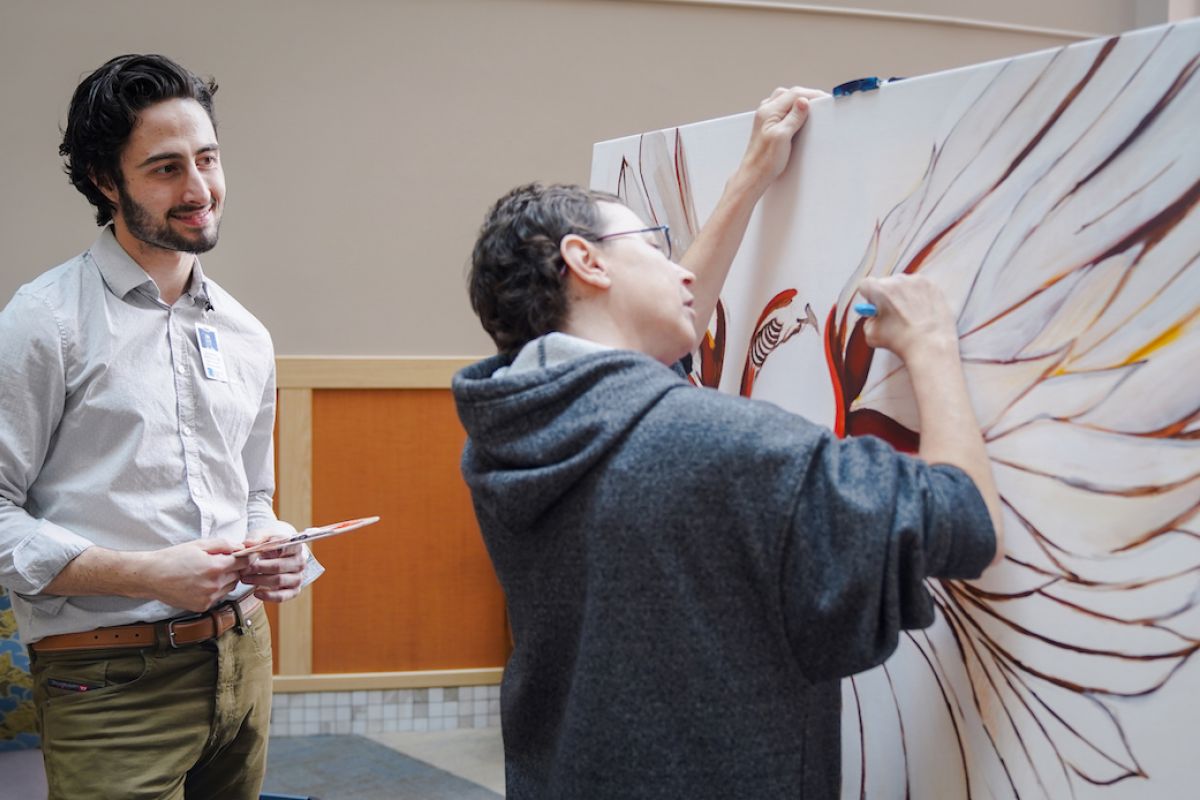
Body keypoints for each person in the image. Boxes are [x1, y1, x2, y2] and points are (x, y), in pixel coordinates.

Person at [453, 87, 1004, 799]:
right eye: (653, 247)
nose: (681, 271)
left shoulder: (513, 437)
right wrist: (929, 342)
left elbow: (645, 369)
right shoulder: (728, 448)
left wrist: (750, 180)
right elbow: (960, 521)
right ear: (586, 262)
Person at [0, 54, 319, 799]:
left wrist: (272, 542)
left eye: (207, 159)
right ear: (105, 181)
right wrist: (145, 573)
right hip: (109, 681)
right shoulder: (43, 323)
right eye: (166, 168)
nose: (200, 190)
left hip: (244, 662)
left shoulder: (246, 333)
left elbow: (253, 497)